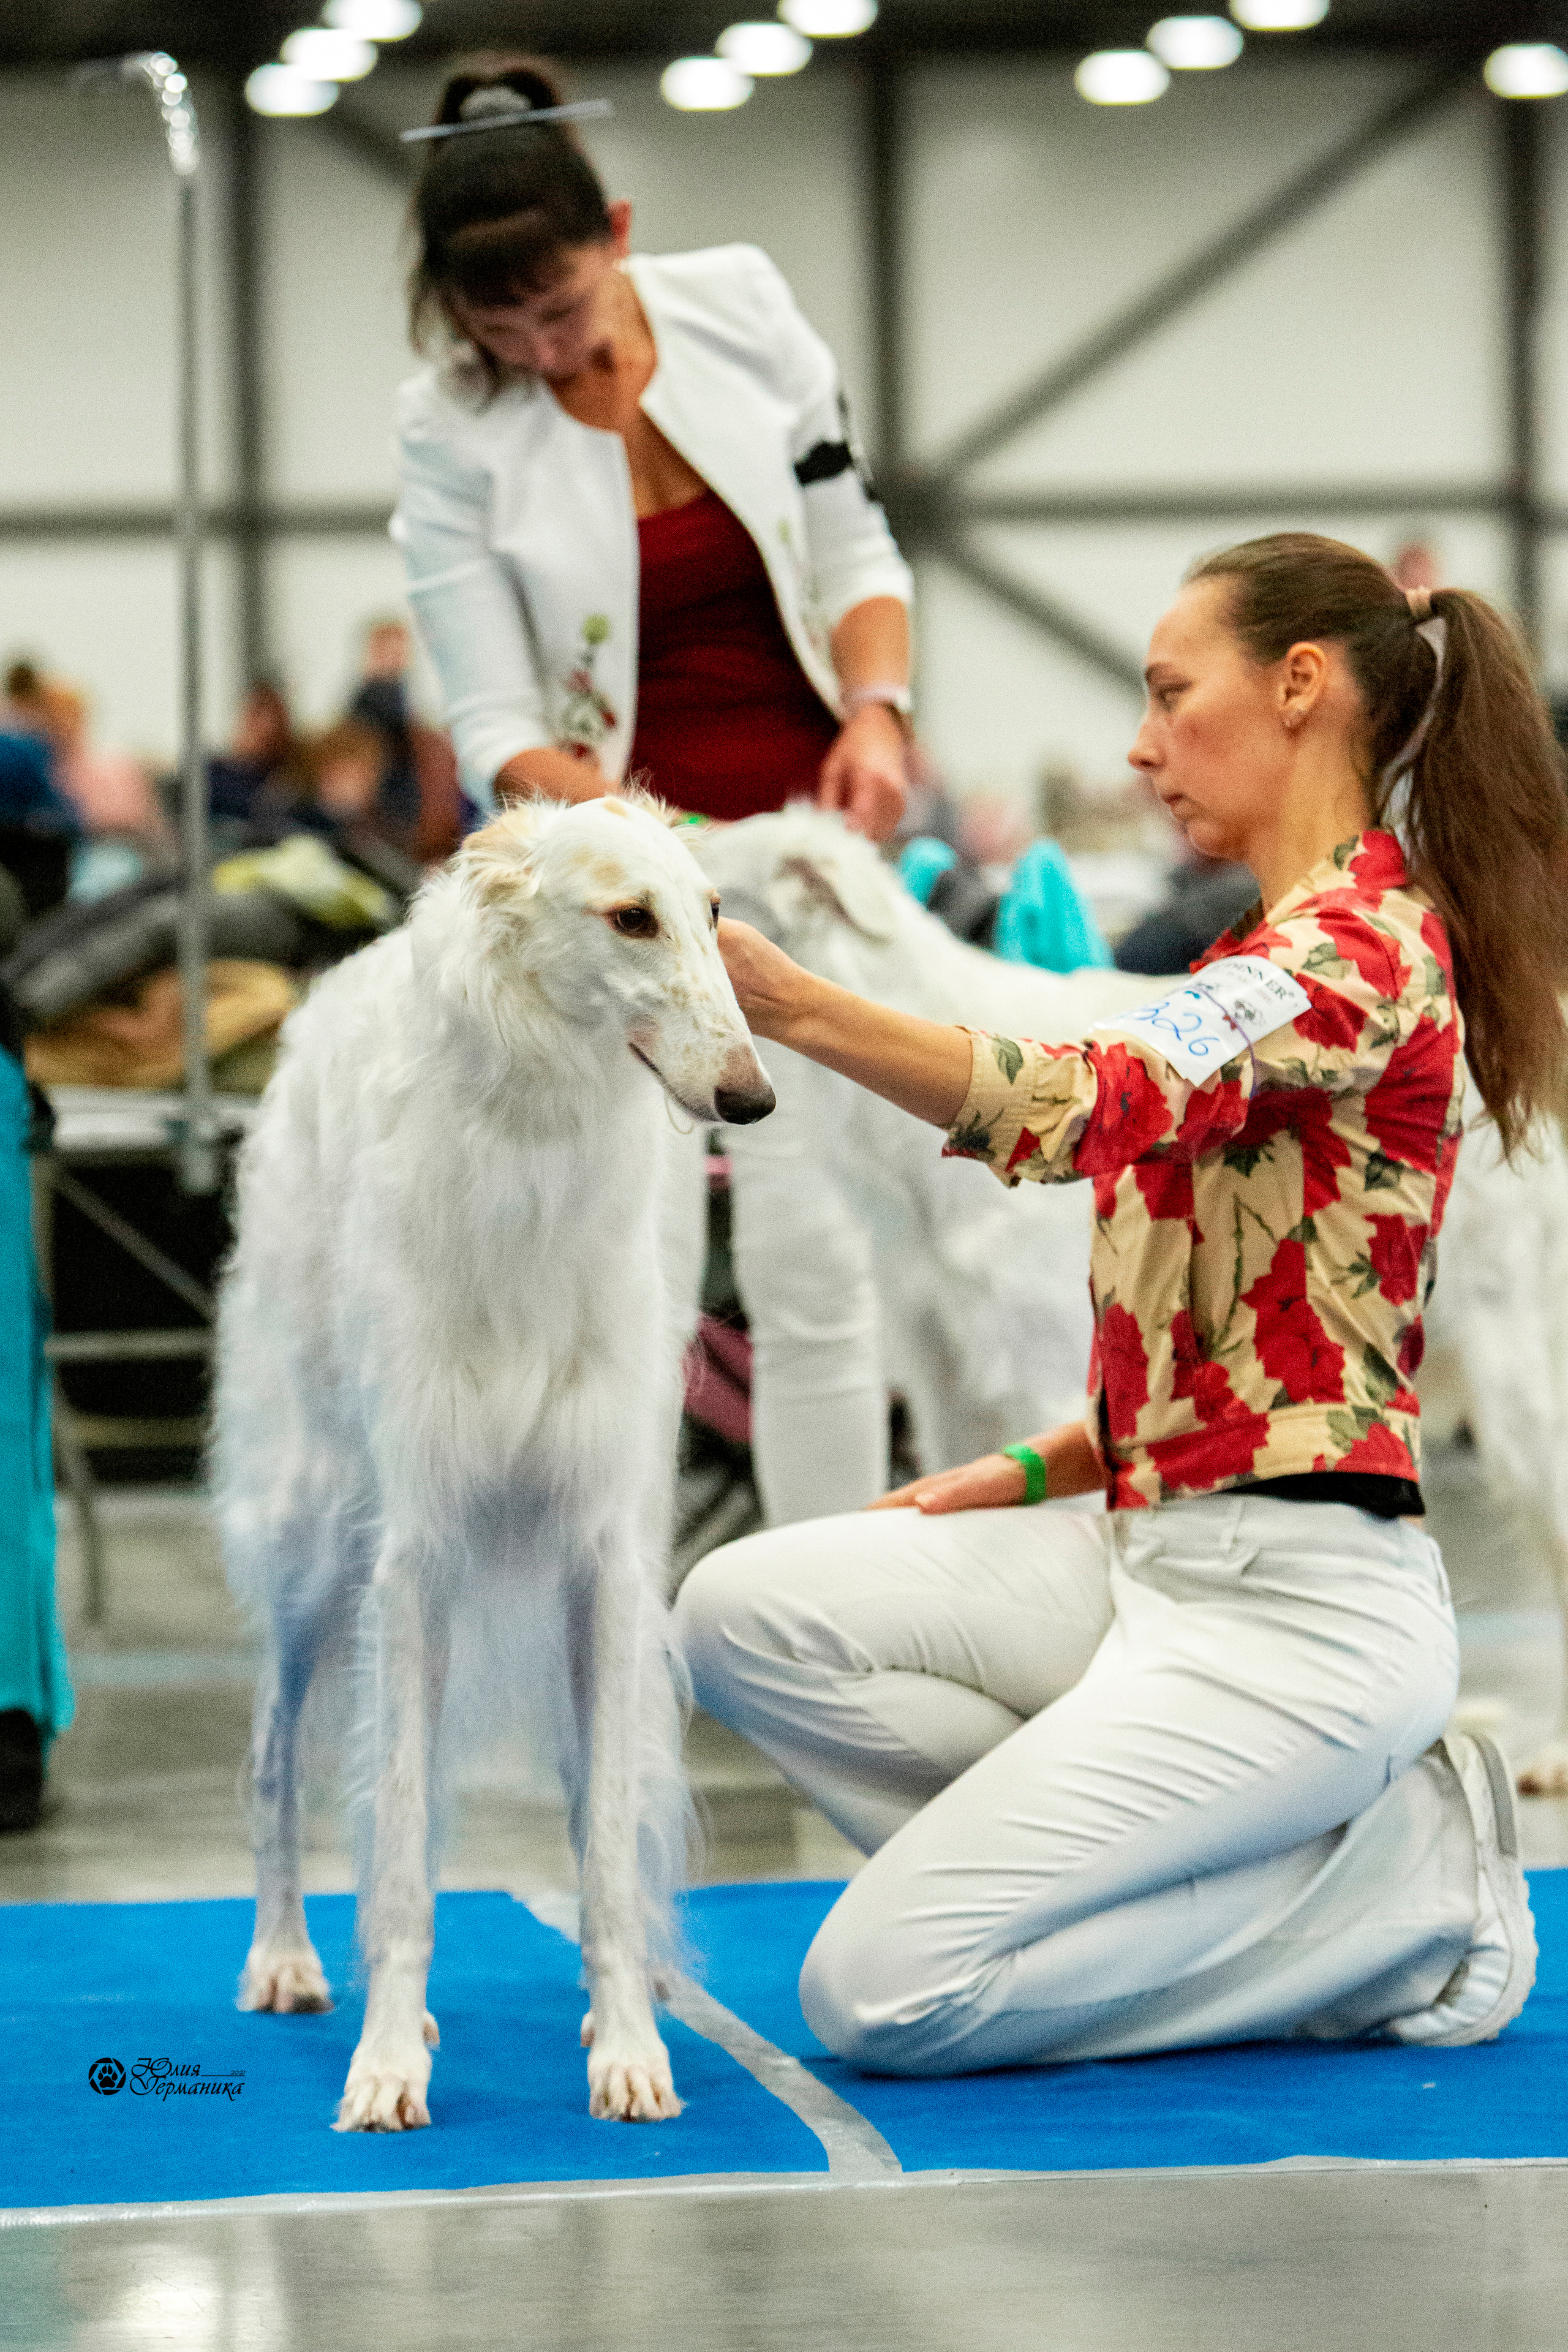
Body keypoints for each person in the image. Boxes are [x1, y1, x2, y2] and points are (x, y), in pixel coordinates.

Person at [676, 532, 1568, 2075]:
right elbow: (1242, 1322)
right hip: (1153, 1552)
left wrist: (794, 1007)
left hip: (1298, 1606)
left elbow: (1081, 1106)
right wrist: (1041, 1464)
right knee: (735, 1614)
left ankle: (1405, 1896)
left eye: (1168, 694)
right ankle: (1265, 1878)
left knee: (879, 1998)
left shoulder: (1351, 948)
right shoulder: (1256, 953)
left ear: (1299, 687)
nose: (1140, 746)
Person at [393, 56, 916, 1524]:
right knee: (640, 1273)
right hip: (625, 887)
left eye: (560, 310)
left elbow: (854, 544)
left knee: (822, 1260)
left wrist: (877, 713)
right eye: (497, 328)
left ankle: (824, 1599)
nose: (537, 349)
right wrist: (661, 858)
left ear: (616, 232)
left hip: (810, 844)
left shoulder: (740, 304)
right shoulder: (444, 422)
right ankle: (626, 1617)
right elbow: (495, 719)